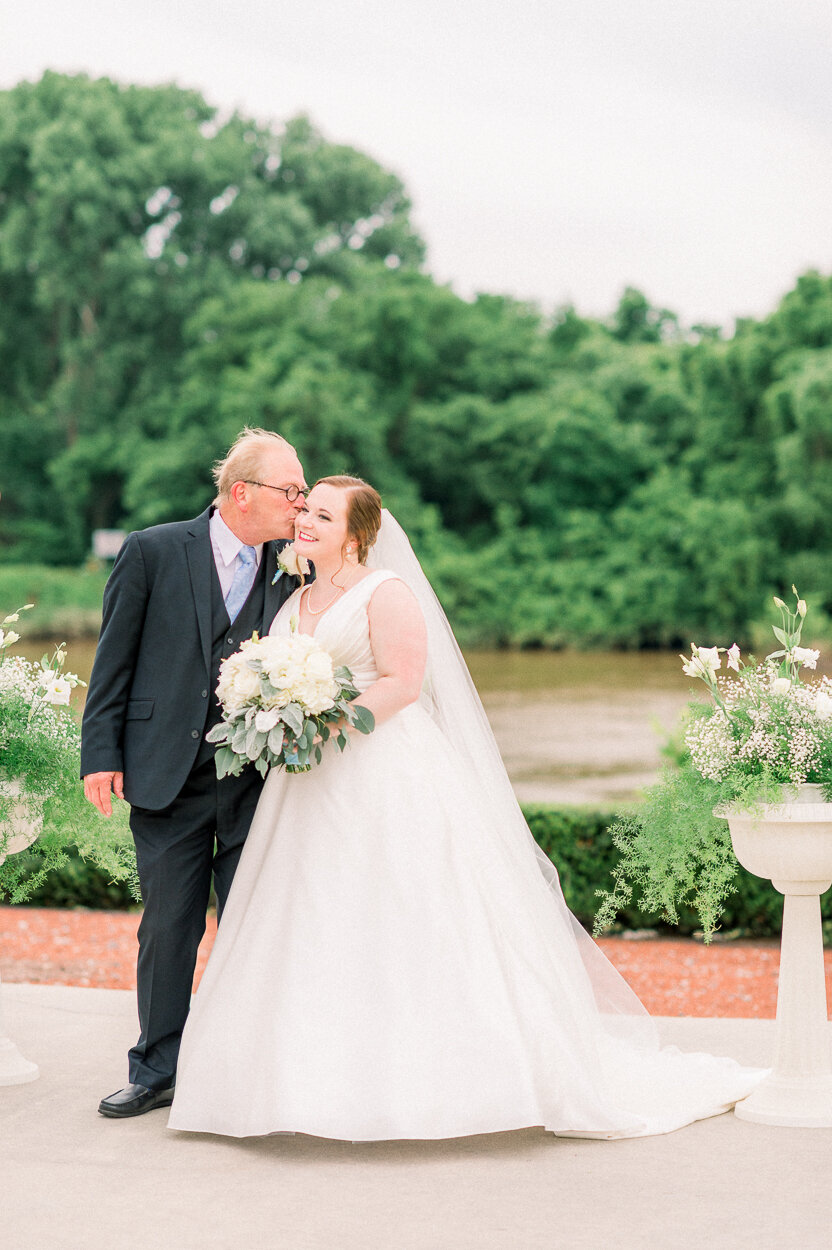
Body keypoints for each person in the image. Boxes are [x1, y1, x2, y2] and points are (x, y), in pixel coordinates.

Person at [168, 475, 764, 1141]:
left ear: (357, 535)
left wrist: (327, 724)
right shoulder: (294, 598)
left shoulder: (385, 594)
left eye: (322, 516)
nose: (304, 522)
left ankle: (439, 1083)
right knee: (308, 912)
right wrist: (273, 708)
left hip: (378, 770)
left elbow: (402, 683)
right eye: (304, 511)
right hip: (305, 785)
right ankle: (294, 1085)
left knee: (403, 912)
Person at [81, 427, 308, 1118]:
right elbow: (112, 660)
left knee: (254, 926)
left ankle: (246, 1068)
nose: (301, 502)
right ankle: (156, 1069)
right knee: (170, 927)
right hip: (164, 771)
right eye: (290, 490)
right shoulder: (152, 550)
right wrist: (102, 753)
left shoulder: (296, 567)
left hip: (259, 783)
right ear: (243, 493)